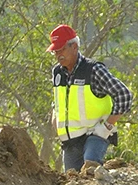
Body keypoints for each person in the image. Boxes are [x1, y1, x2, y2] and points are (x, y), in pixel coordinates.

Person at [46, 25, 133, 175]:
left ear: (74, 46)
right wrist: (55, 114)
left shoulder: (93, 70)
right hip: (70, 141)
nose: (57, 54)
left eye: (61, 50)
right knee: (72, 181)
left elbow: (124, 95)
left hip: (94, 134)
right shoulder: (57, 72)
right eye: (55, 51)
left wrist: (107, 126)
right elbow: (60, 99)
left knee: (90, 166)